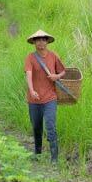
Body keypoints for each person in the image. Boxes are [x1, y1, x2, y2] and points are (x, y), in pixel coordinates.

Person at [24, 29, 66, 164]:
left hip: (50, 98)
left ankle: (54, 158)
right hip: (34, 99)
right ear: (34, 42)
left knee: (50, 126)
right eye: (38, 40)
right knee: (36, 127)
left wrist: (56, 76)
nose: (41, 42)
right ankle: (37, 153)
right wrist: (31, 90)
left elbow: (63, 71)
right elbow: (28, 74)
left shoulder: (53, 56)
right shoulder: (30, 57)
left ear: (47, 41)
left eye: (43, 39)